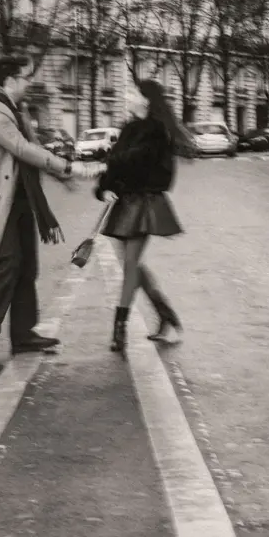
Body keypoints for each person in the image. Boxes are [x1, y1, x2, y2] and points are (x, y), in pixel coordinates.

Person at [0, 54, 74, 360]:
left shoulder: (16, 110)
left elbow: (34, 151)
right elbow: (21, 148)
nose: (29, 83)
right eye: (25, 78)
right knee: (9, 263)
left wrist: (59, 176)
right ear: (10, 80)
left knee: (28, 266)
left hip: (20, 198)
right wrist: (64, 167)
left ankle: (24, 335)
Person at [94, 79, 184, 354]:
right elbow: (116, 165)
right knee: (132, 266)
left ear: (145, 99)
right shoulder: (129, 128)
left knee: (131, 264)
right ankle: (165, 313)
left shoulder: (157, 131)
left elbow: (135, 161)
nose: (127, 96)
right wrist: (104, 187)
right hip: (126, 202)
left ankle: (119, 328)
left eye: (132, 93)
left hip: (145, 202)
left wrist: (110, 160)